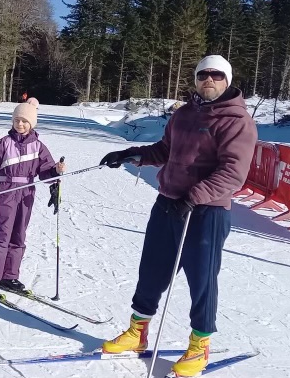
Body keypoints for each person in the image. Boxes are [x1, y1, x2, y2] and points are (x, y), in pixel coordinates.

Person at [98, 55, 257, 377]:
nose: (208, 79)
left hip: (207, 212)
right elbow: (165, 151)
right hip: (168, 204)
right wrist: (131, 155)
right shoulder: (184, 114)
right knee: (152, 270)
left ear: (226, 80)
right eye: (202, 74)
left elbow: (233, 173)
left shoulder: (237, 121)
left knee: (201, 279)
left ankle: (199, 345)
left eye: (215, 75)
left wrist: (194, 197)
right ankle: (137, 332)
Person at [0, 98, 65, 296]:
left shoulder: (38, 146)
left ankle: (8, 275)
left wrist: (56, 170)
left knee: (19, 234)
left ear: (32, 123)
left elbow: (46, 171)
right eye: (17, 121)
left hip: (27, 193)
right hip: (7, 190)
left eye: (24, 121)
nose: (20, 124)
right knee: (1, 233)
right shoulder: (5, 143)